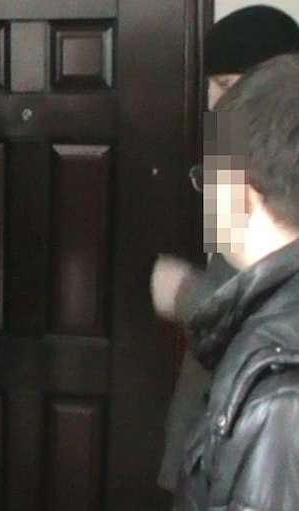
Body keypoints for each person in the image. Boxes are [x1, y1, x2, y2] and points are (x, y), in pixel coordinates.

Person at [151, 5, 299, 493]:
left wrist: (181, 293)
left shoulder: (269, 162)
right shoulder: (228, 144)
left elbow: (262, 308)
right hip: (208, 427)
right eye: (214, 85)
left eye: (230, 84)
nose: (217, 102)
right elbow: (231, 271)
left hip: (253, 443)